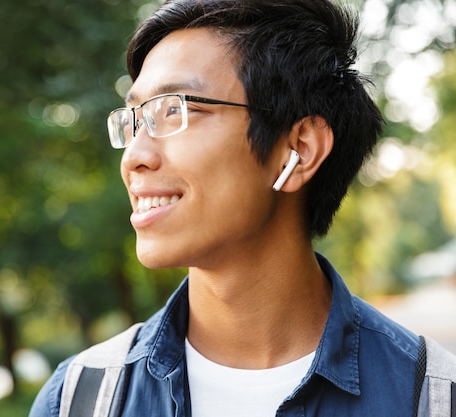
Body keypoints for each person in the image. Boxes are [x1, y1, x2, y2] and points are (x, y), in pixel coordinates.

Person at [30, 0, 456, 416]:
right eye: (135, 119)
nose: (134, 157)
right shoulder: (78, 399)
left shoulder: (433, 399)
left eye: (176, 109)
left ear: (300, 150)